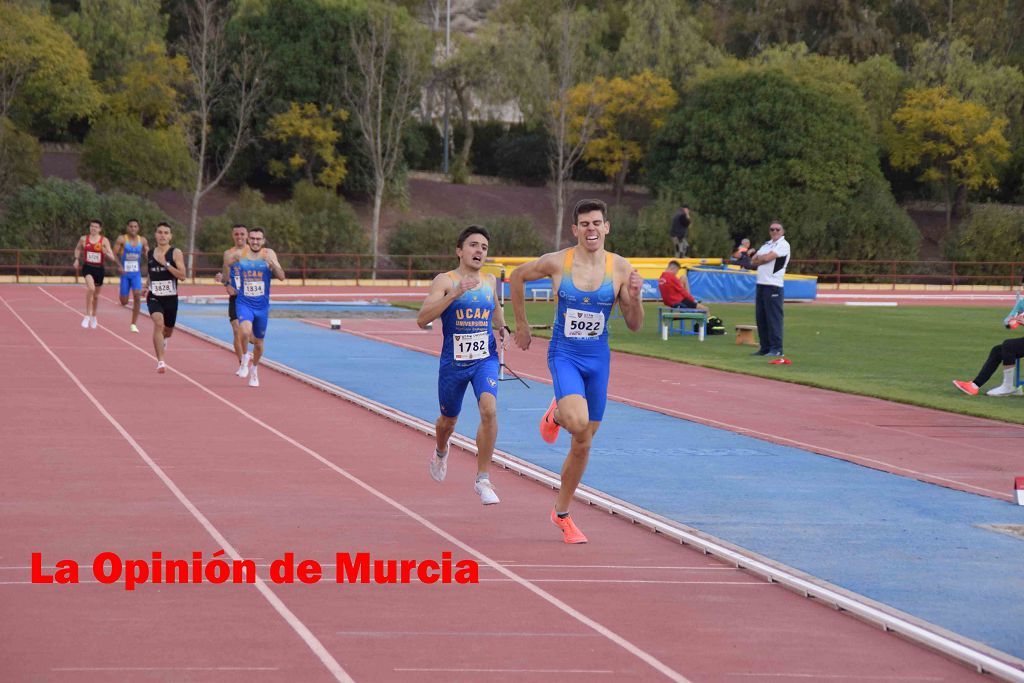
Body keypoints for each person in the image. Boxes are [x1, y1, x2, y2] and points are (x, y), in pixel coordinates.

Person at [510, 199, 644, 543]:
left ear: (607, 227)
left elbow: (633, 325)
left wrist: (636, 296)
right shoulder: (559, 262)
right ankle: (558, 413)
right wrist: (521, 326)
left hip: (598, 359)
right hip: (565, 354)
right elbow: (517, 276)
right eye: (584, 224)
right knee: (579, 422)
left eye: (597, 223)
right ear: (575, 230)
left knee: (583, 443)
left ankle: (562, 513)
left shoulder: (620, 267)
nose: (591, 229)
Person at [416, 226, 508, 505]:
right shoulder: (445, 280)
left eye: (484, 247)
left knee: (489, 410)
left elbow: (496, 314)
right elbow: (422, 319)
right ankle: (442, 450)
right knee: (448, 421)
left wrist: (502, 327)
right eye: (473, 245)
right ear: (459, 250)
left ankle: (483, 479)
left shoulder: (490, 282)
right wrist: (453, 294)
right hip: (453, 364)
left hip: (484, 359)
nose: (479, 250)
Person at [224, 227, 285, 388]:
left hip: (262, 307)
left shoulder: (268, 254)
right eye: (252, 238)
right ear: (248, 240)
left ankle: (255, 370)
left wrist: (273, 265)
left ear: (263, 241)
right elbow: (227, 264)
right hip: (244, 303)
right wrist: (226, 281)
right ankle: (244, 358)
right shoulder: (240, 255)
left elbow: (282, 277)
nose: (255, 241)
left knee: (258, 344)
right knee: (243, 331)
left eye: (258, 239)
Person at [953, 297, 1024, 396]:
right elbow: (1008, 320)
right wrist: (1011, 321)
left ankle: (1008, 387)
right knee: (997, 350)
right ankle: (974, 386)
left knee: (1008, 345)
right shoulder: (1022, 302)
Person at [145, 223, 186, 373]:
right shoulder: (150, 253)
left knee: (168, 331)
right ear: (155, 235)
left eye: (166, 233)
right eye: (160, 232)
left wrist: (166, 264)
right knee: (158, 323)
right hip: (154, 296)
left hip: (171, 299)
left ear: (170, 236)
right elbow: (151, 273)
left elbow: (182, 276)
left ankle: (164, 340)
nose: (162, 235)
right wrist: (146, 285)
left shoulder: (175, 253)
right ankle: (161, 361)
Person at [749, 221, 790, 358]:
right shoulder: (767, 245)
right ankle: (765, 347)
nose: (774, 231)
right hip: (761, 283)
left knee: (773, 319)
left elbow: (766, 258)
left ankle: (776, 348)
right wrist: (761, 258)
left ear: (782, 231)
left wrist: (761, 258)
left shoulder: (783, 244)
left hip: (773, 284)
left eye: (777, 229)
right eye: (772, 229)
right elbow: (753, 260)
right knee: (761, 318)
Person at [214, 224, 250, 374]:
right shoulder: (228, 253)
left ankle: (249, 350)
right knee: (236, 330)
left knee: (249, 334)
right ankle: (242, 363)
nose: (239, 237)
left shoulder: (254, 252)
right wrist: (224, 282)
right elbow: (226, 277)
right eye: (236, 234)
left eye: (242, 234)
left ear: (247, 236)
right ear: (232, 236)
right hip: (235, 297)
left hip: (251, 297)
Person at [72, 220, 121, 329]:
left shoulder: (104, 240)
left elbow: (112, 257)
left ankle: (94, 316)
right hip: (87, 267)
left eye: (96, 227)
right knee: (91, 288)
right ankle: (87, 315)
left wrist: (105, 252)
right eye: (91, 226)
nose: (93, 228)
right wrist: (76, 259)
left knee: (96, 296)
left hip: (99, 269)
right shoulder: (84, 239)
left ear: (100, 229)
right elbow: (77, 249)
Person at [114, 219, 149, 333]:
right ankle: (123, 294)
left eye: (135, 226)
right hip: (125, 274)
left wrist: (150, 257)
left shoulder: (142, 240)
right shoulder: (122, 239)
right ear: (127, 227)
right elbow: (113, 253)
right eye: (131, 226)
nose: (133, 228)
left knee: (137, 296)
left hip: (136, 274)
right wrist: (119, 266)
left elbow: (147, 252)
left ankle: (133, 324)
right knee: (124, 301)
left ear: (138, 228)